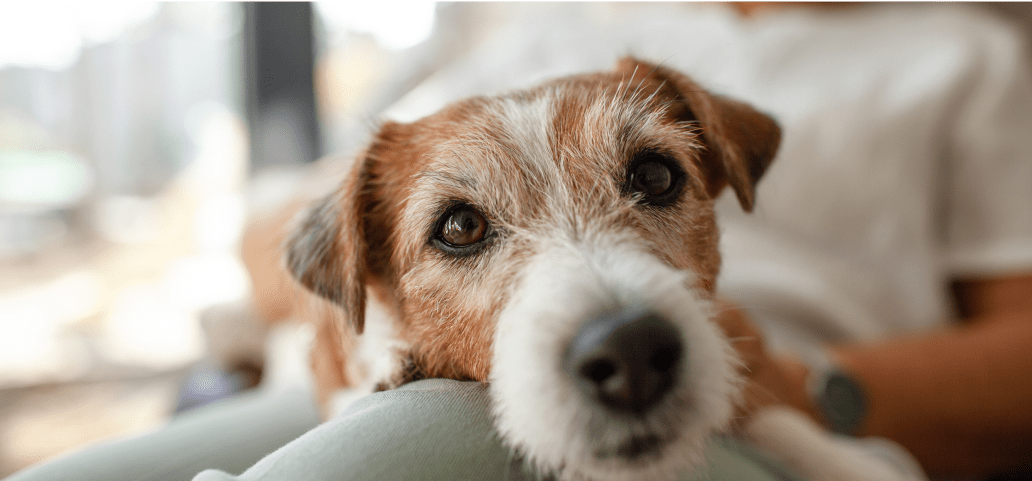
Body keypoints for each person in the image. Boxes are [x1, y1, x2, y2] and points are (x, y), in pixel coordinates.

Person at [7, 3, 1032, 480]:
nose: (608, 233)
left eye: (653, 177)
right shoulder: (539, 31)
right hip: (435, 374)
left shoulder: (962, 54)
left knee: (405, 446)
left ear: (727, 177)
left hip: (754, 398)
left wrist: (813, 386)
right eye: (464, 226)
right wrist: (353, 329)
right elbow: (281, 229)